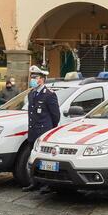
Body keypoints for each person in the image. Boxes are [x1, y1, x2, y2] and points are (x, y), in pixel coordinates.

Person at [22, 65, 60, 193]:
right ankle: (35, 183)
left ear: (42, 79)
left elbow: (56, 116)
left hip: (44, 133)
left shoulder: (49, 95)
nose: (32, 79)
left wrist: (50, 131)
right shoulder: (31, 94)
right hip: (33, 132)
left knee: (45, 161)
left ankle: (47, 185)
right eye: (32, 77)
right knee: (33, 160)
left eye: (35, 77)